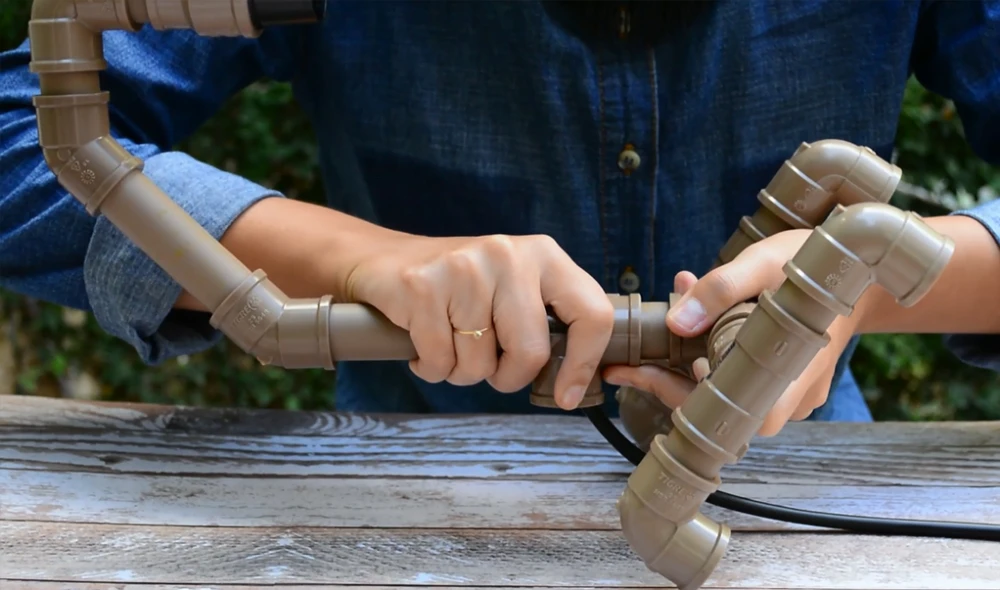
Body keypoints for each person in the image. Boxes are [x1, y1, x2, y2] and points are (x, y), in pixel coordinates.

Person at [1, 2, 998, 434]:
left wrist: (859, 286)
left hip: (803, 496)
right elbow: (18, 137)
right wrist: (361, 260)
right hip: (394, 499)